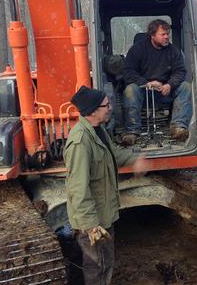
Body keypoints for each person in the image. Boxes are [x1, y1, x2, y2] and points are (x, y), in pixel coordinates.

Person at [64, 85, 146, 284]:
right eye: (106, 105)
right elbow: (78, 188)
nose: (110, 108)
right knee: (96, 265)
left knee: (106, 260)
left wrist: (136, 159)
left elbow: (114, 153)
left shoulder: (98, 131)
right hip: (93, 222)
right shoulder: (80, 142)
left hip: (105, 215)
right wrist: (91, 225)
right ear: (93, 110)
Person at [121, 19, 192, 144]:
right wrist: (146, 83)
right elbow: (128, 71)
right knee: (130, 89)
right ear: (152, 35)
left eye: (167, 34)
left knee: (185, 87)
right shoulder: (137, 50)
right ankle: (132, 131)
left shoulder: (173, 51)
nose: (166, 37)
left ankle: (178, 127)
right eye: (162, 34)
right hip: (143, 91)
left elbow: (180, 71)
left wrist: (170, 84)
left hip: (165, 91)